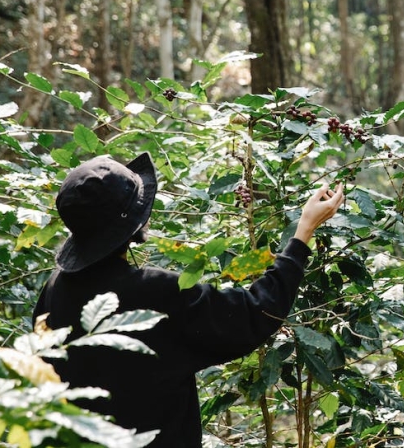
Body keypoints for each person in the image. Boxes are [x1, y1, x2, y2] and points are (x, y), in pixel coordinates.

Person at [33, 152, 344, 447]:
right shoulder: (155, 290)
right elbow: (256, 313)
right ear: (130, 225)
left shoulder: (55, 288)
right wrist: (303, 232)